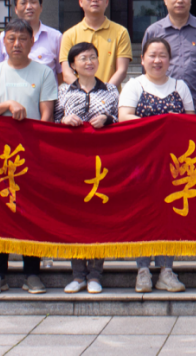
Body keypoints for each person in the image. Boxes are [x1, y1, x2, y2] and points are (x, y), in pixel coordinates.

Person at [0, 18, 58, 297]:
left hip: (30, 153)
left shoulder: (44, 72)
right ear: (3, 43)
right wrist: (8, 104)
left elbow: (47, 115)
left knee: (30, 212)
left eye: (23, 39)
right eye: (11, 38)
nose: (16, 44)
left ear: (32, 42)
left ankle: (32, 273)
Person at [119, 38, 192, 294]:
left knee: (169, 216)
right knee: (142, 214)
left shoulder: (180, 86)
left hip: (173, 165)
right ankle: (142, 270)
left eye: (162, 55)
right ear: (142, 59)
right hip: (142, 162)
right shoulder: (134, 85)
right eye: (152, 55)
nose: (157, 60)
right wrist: (160, 123)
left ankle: (166, 271)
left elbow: (191, 121)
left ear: (170, 60)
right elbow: (124, 117)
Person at [55, 42, 119, 295]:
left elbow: (120, 118)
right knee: (75, 217)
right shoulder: (63, 91)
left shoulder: (110, 90)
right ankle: (77, 274)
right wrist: (63, 119)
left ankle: (95, 275)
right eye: (83, 58)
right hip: (72, 162)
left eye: (93, 57)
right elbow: (52, 120)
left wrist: (107, 119)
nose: (89, 62)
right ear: (73, 64)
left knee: (98, 217)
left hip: (102, 162)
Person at [60, 0, 133, 88]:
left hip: (110, 95)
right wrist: (85, 93)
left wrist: (104, 93)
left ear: (106, 2)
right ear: (81, 2)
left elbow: (121, 70)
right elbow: (67, 74)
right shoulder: (69, 35)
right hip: (79, 95)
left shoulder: (121, 32)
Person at [0, 0, 63, 83]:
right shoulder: (4, 37)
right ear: (16, 9)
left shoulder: (55, 37)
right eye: (23, 3)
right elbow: (0, 69)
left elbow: (61, 73)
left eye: (33, 2)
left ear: (41, 7)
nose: (29, 7)